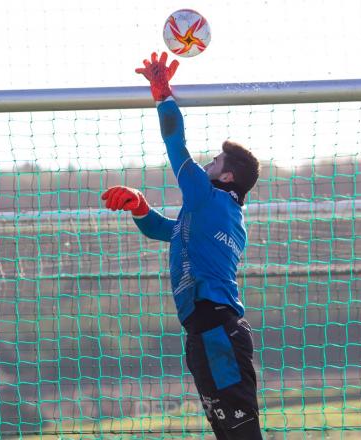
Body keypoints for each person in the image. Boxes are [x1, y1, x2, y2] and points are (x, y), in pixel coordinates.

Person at [101, 52, 262, 439]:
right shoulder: (220, 214)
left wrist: (163, 95)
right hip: (209, 334)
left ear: (225, 175)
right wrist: (140, 207)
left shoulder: (208, 199)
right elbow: (165, 231)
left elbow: (176, 145)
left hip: (216, 333)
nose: (208, 161)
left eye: (216, 159)